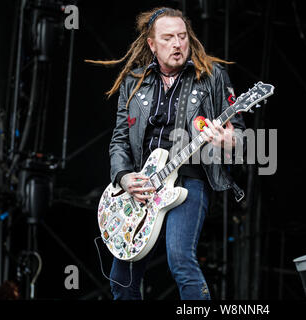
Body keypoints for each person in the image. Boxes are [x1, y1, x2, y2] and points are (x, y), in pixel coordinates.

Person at [87, 7, 245, 300]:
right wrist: (123, 178)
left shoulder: (211, 75)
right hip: (143, 186)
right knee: (121, 279)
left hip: (189, 178)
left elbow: (239, 135)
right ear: (151, 44)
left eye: (182, 37)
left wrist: (226, 140)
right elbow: (119, 140)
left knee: (180, 259)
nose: (177, 44)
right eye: (168, 38)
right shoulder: (134, 82)